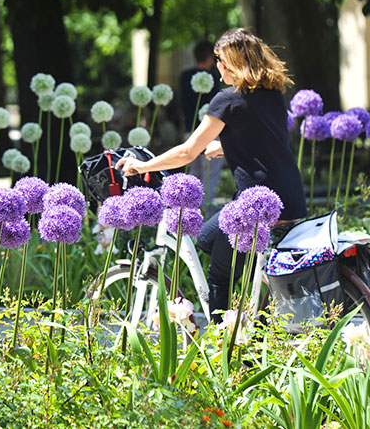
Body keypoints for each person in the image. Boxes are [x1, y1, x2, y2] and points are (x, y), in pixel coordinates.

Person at [117, 28, 307, 320]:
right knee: (207, 239)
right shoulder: (273, 93)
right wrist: (227, 144)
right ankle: (254, 313)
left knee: (219, 275)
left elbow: (187, 153)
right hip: (290, 198)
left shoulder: (227, 99)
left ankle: (223, 348)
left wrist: (141, 166)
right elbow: (264, 137)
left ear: (231, 63)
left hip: (255, 204)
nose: (218, 65)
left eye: (221, 59)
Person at [179, 41, 223, 205]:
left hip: (189, 130)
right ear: (210, 58)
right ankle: (203, 210)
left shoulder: (185, 76)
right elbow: (216, 105)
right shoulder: (212, 77)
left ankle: (190, 209)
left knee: (194, 173)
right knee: (210, 175)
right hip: (209, 133)